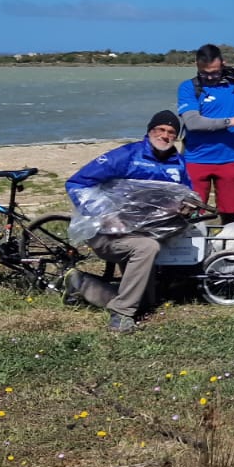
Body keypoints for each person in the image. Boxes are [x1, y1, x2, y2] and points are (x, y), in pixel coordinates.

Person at [65, 110, 191, 333]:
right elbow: (77, 183)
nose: (165, 135)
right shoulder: (125, 156)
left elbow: (187, 194)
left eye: (171, 132)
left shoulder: (179, 164)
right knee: (146, 249)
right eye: (160, 129)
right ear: (149, 131)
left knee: (147, 304)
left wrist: (186, 207)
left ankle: (81, 284)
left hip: (146, 231)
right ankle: (122, 315)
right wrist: (106, 215)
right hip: (109, 233)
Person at [176, 44, 234, 224]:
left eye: (215, 72)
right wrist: (231, 121)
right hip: (196, 160)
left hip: (229, 159)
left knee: (230, 214)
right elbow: (193, 123)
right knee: (191, 213)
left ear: (223, 63)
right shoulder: (188, 88)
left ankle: (230, 247)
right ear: (196, 65)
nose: (210, 77)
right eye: (205, 73)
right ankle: (192, 249)